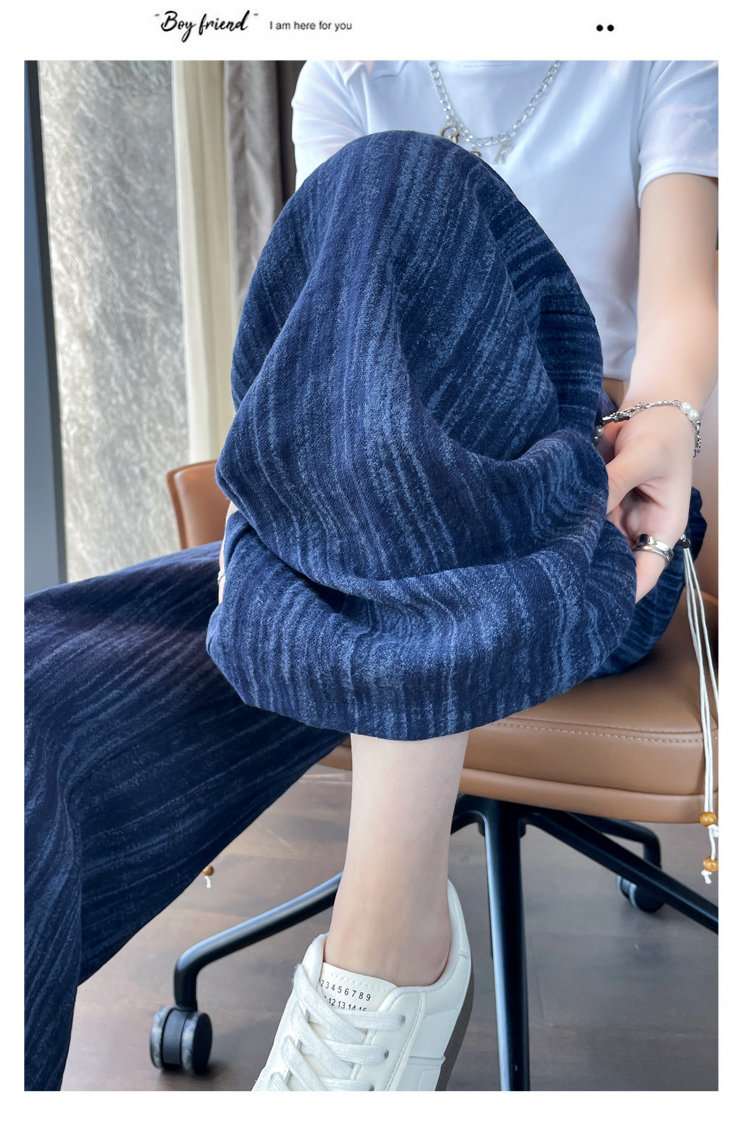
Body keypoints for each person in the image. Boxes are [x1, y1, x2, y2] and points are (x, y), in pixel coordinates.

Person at [24, 60, 718, 1093]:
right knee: (29, 714)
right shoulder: (346, 74)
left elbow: (683, 304)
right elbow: (331, 355)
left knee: (398, 180)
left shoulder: (659, 52)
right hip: (354, 528)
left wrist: (667, 422)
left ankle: (388, 947)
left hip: (596, 530)